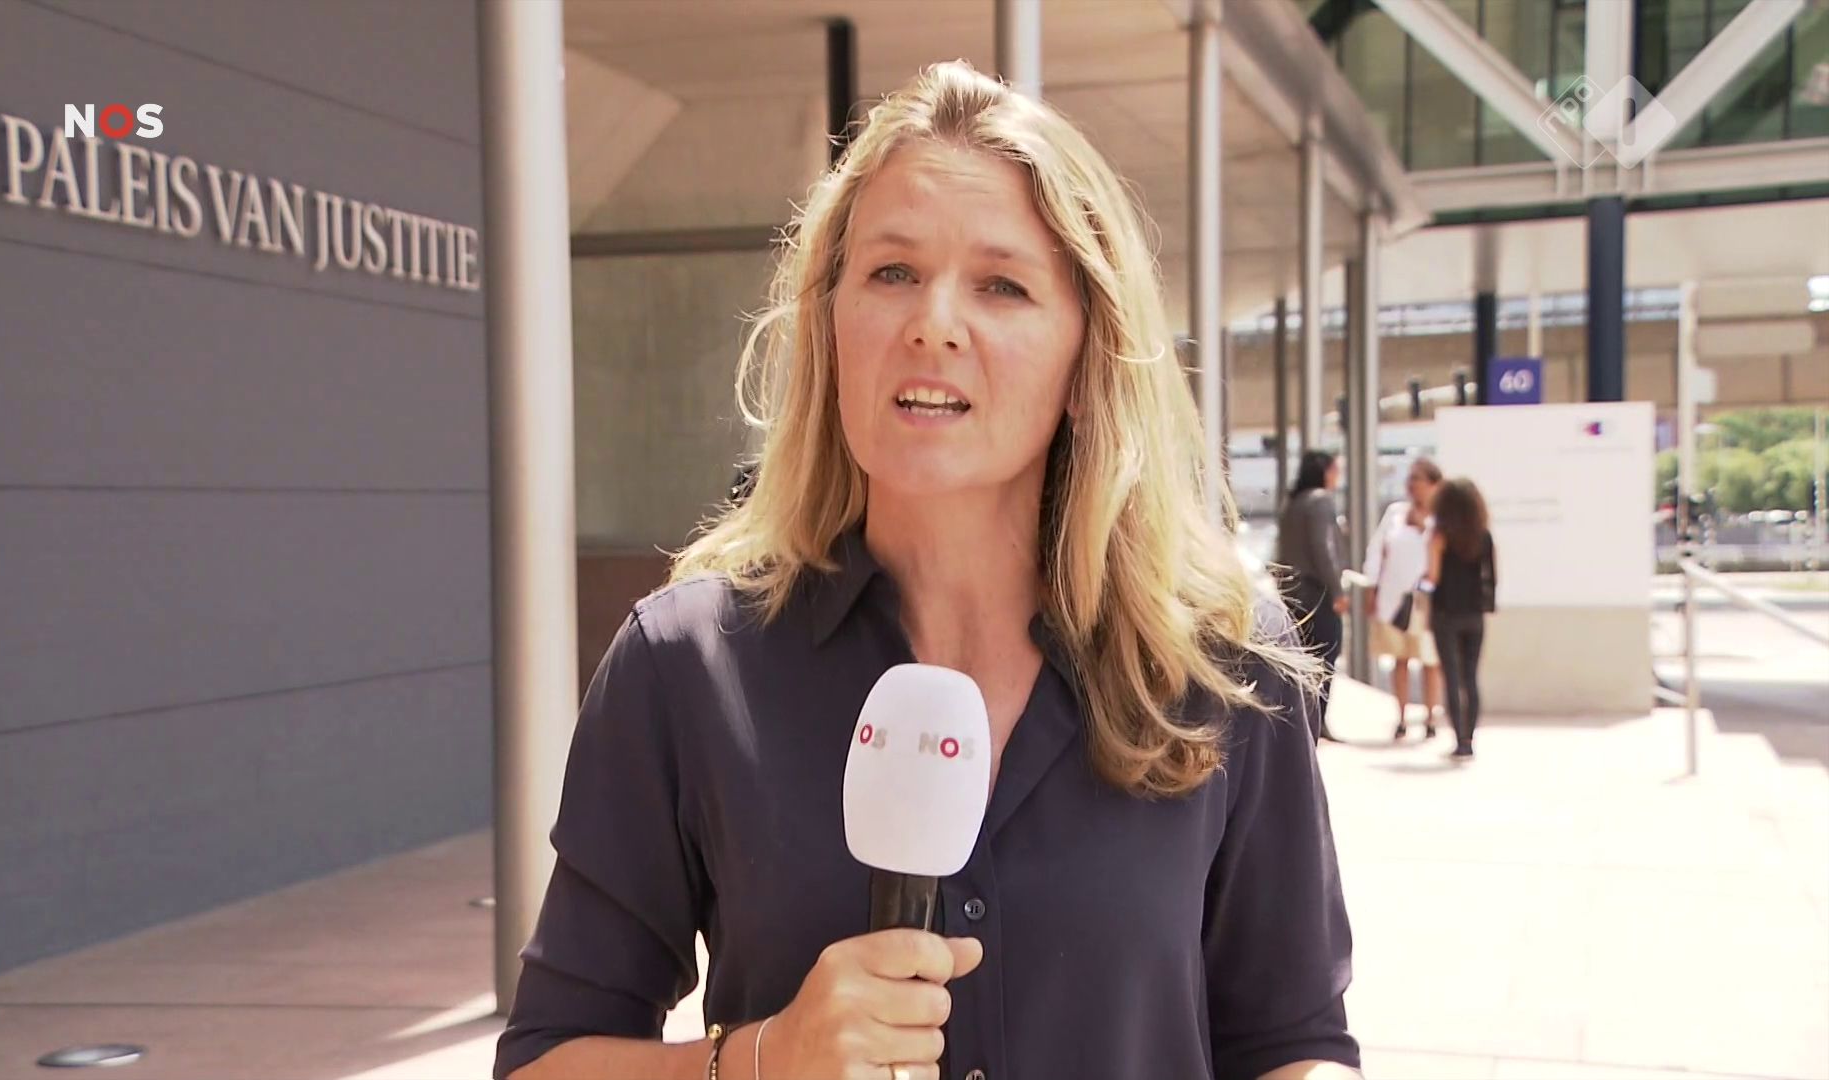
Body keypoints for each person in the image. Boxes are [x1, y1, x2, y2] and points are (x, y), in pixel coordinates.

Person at [493, 62, 1360, 1080]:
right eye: (893, 272)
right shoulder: (685, 666)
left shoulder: (1220, 659)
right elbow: (542, 1060)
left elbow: (1294, 1043)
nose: (934, 323)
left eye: (1002, 286)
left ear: (1087, 357)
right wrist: (763, 1060)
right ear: (831, 324)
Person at [1362, 457, 1444, 741]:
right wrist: (1371, 589)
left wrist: (1423, 527)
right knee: (1400, 657)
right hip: (1394, 599)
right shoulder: (1395, 513)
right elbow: (1376, 551)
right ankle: (1401, 716)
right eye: (1410, 480)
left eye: (1418, 480)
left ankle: (1431, 717)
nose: (1413, 487)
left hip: (1426, 601)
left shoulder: (1440, 518)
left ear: (1434, 485)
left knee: (1430, 659)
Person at [1274, 450, 1348, 743]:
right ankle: (1317, 721)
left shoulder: (1292, 504)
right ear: (1326, 472)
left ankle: (1302, 722)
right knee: (1326, 655)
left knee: (1300, 658)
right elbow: (1323, 548)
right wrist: (1337, 590)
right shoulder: (1320, 501)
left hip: (1291, 593)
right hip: (1316, 591)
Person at [1424, 478, 1496, 760]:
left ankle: (1459, 739)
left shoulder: (1440, 536)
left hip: (1445, 612)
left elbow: (1433, 577)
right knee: (1470, 677)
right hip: (1474, 613)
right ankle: (1470, 738)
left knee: (1452, 677)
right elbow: (1492, 575)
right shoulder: (1483, 536)